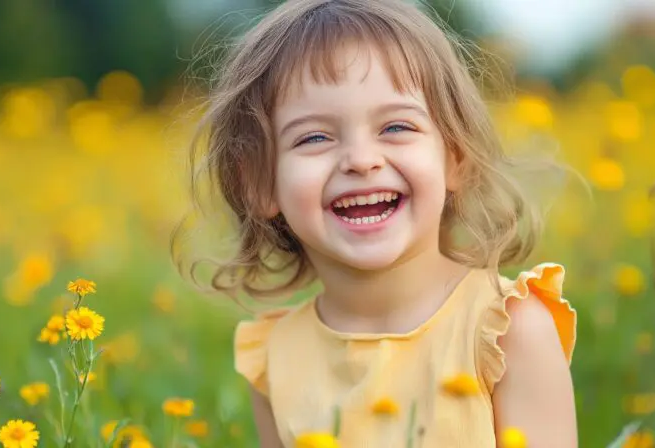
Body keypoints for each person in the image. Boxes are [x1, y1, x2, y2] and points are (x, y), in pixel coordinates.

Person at [179, 0, 578, 446]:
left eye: (396, 127)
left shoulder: (509, 330)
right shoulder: (275, 356)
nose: (362, 161)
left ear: (456, 156)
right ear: (259, 184)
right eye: (314, 137)